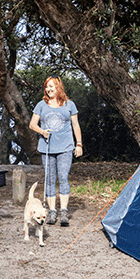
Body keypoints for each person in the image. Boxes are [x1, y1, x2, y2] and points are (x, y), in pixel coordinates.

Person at [28, 76, 83, 227]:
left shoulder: (69, 104)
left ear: (58, 87)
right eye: (47, 87)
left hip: (66, 147)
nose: (49, 89)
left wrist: (79, 144)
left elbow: (76, 125)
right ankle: (52, 211)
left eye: (52, 86)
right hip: (47, 148)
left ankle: (64, 211)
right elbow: (32, 124)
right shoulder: (41, 105)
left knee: (63, 177)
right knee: (50, 179)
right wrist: (43, 132)